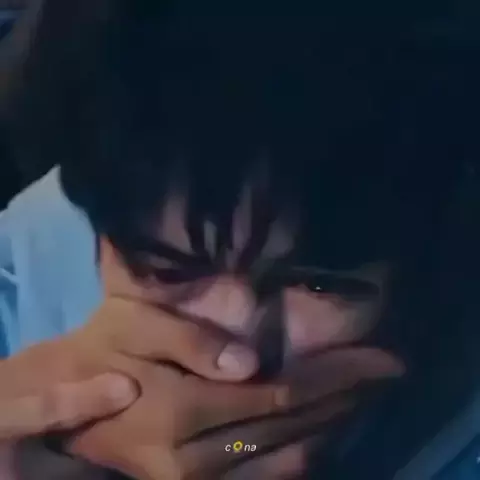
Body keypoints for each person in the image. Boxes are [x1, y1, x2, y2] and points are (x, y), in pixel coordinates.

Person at [0, 0, 464, 478]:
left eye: (319, 285)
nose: (238, 358)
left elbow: (238, 445)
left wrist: (239, 445)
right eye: (168, 270)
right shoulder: (33, 256)